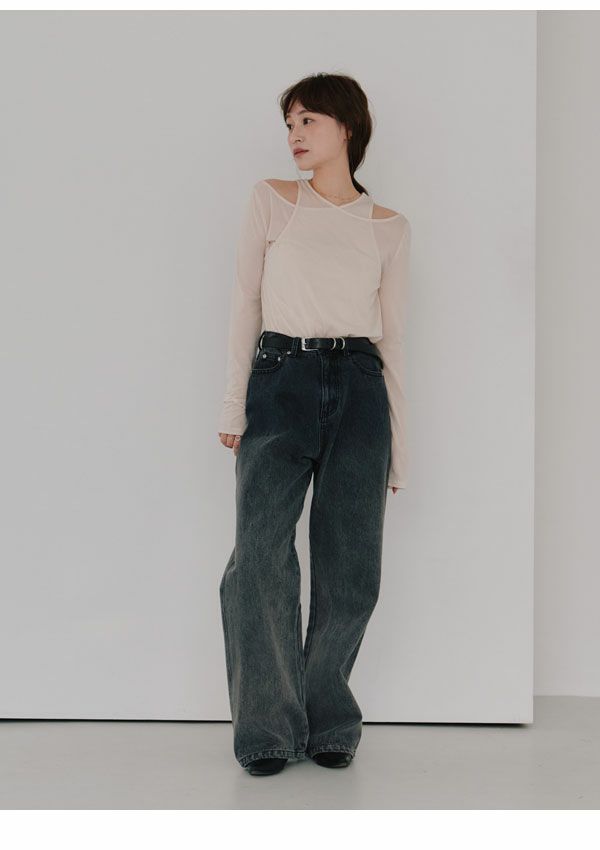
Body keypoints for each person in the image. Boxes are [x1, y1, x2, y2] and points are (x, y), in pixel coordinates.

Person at [217, 72, 412, 776]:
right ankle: (268, 729)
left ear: (347, 128)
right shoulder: (272, 201)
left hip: (359, 387)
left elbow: (394, 340)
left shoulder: (389, 228)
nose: (295, 135)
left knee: (351, 564)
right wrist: (233, 404)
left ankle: (329, 719)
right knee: (259, 558)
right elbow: (245, 300)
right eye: (290, 124)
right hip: (280, 379)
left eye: (309, 121)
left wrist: (400, 448)